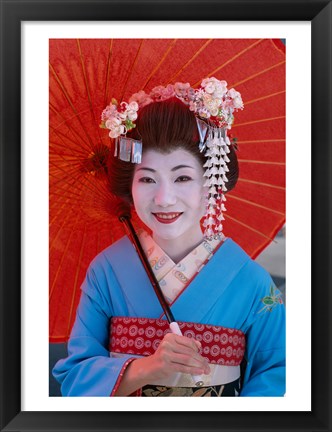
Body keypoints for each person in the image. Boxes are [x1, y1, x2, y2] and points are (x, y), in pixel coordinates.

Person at [53, 78, 285, 397]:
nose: (164, 198)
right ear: (130, 188)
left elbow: (281, 373)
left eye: (182, 177)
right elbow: (74, 374)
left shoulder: (251, 281)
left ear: (212, 184)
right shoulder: (106, 270)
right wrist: (144, 368)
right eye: (147, 179)